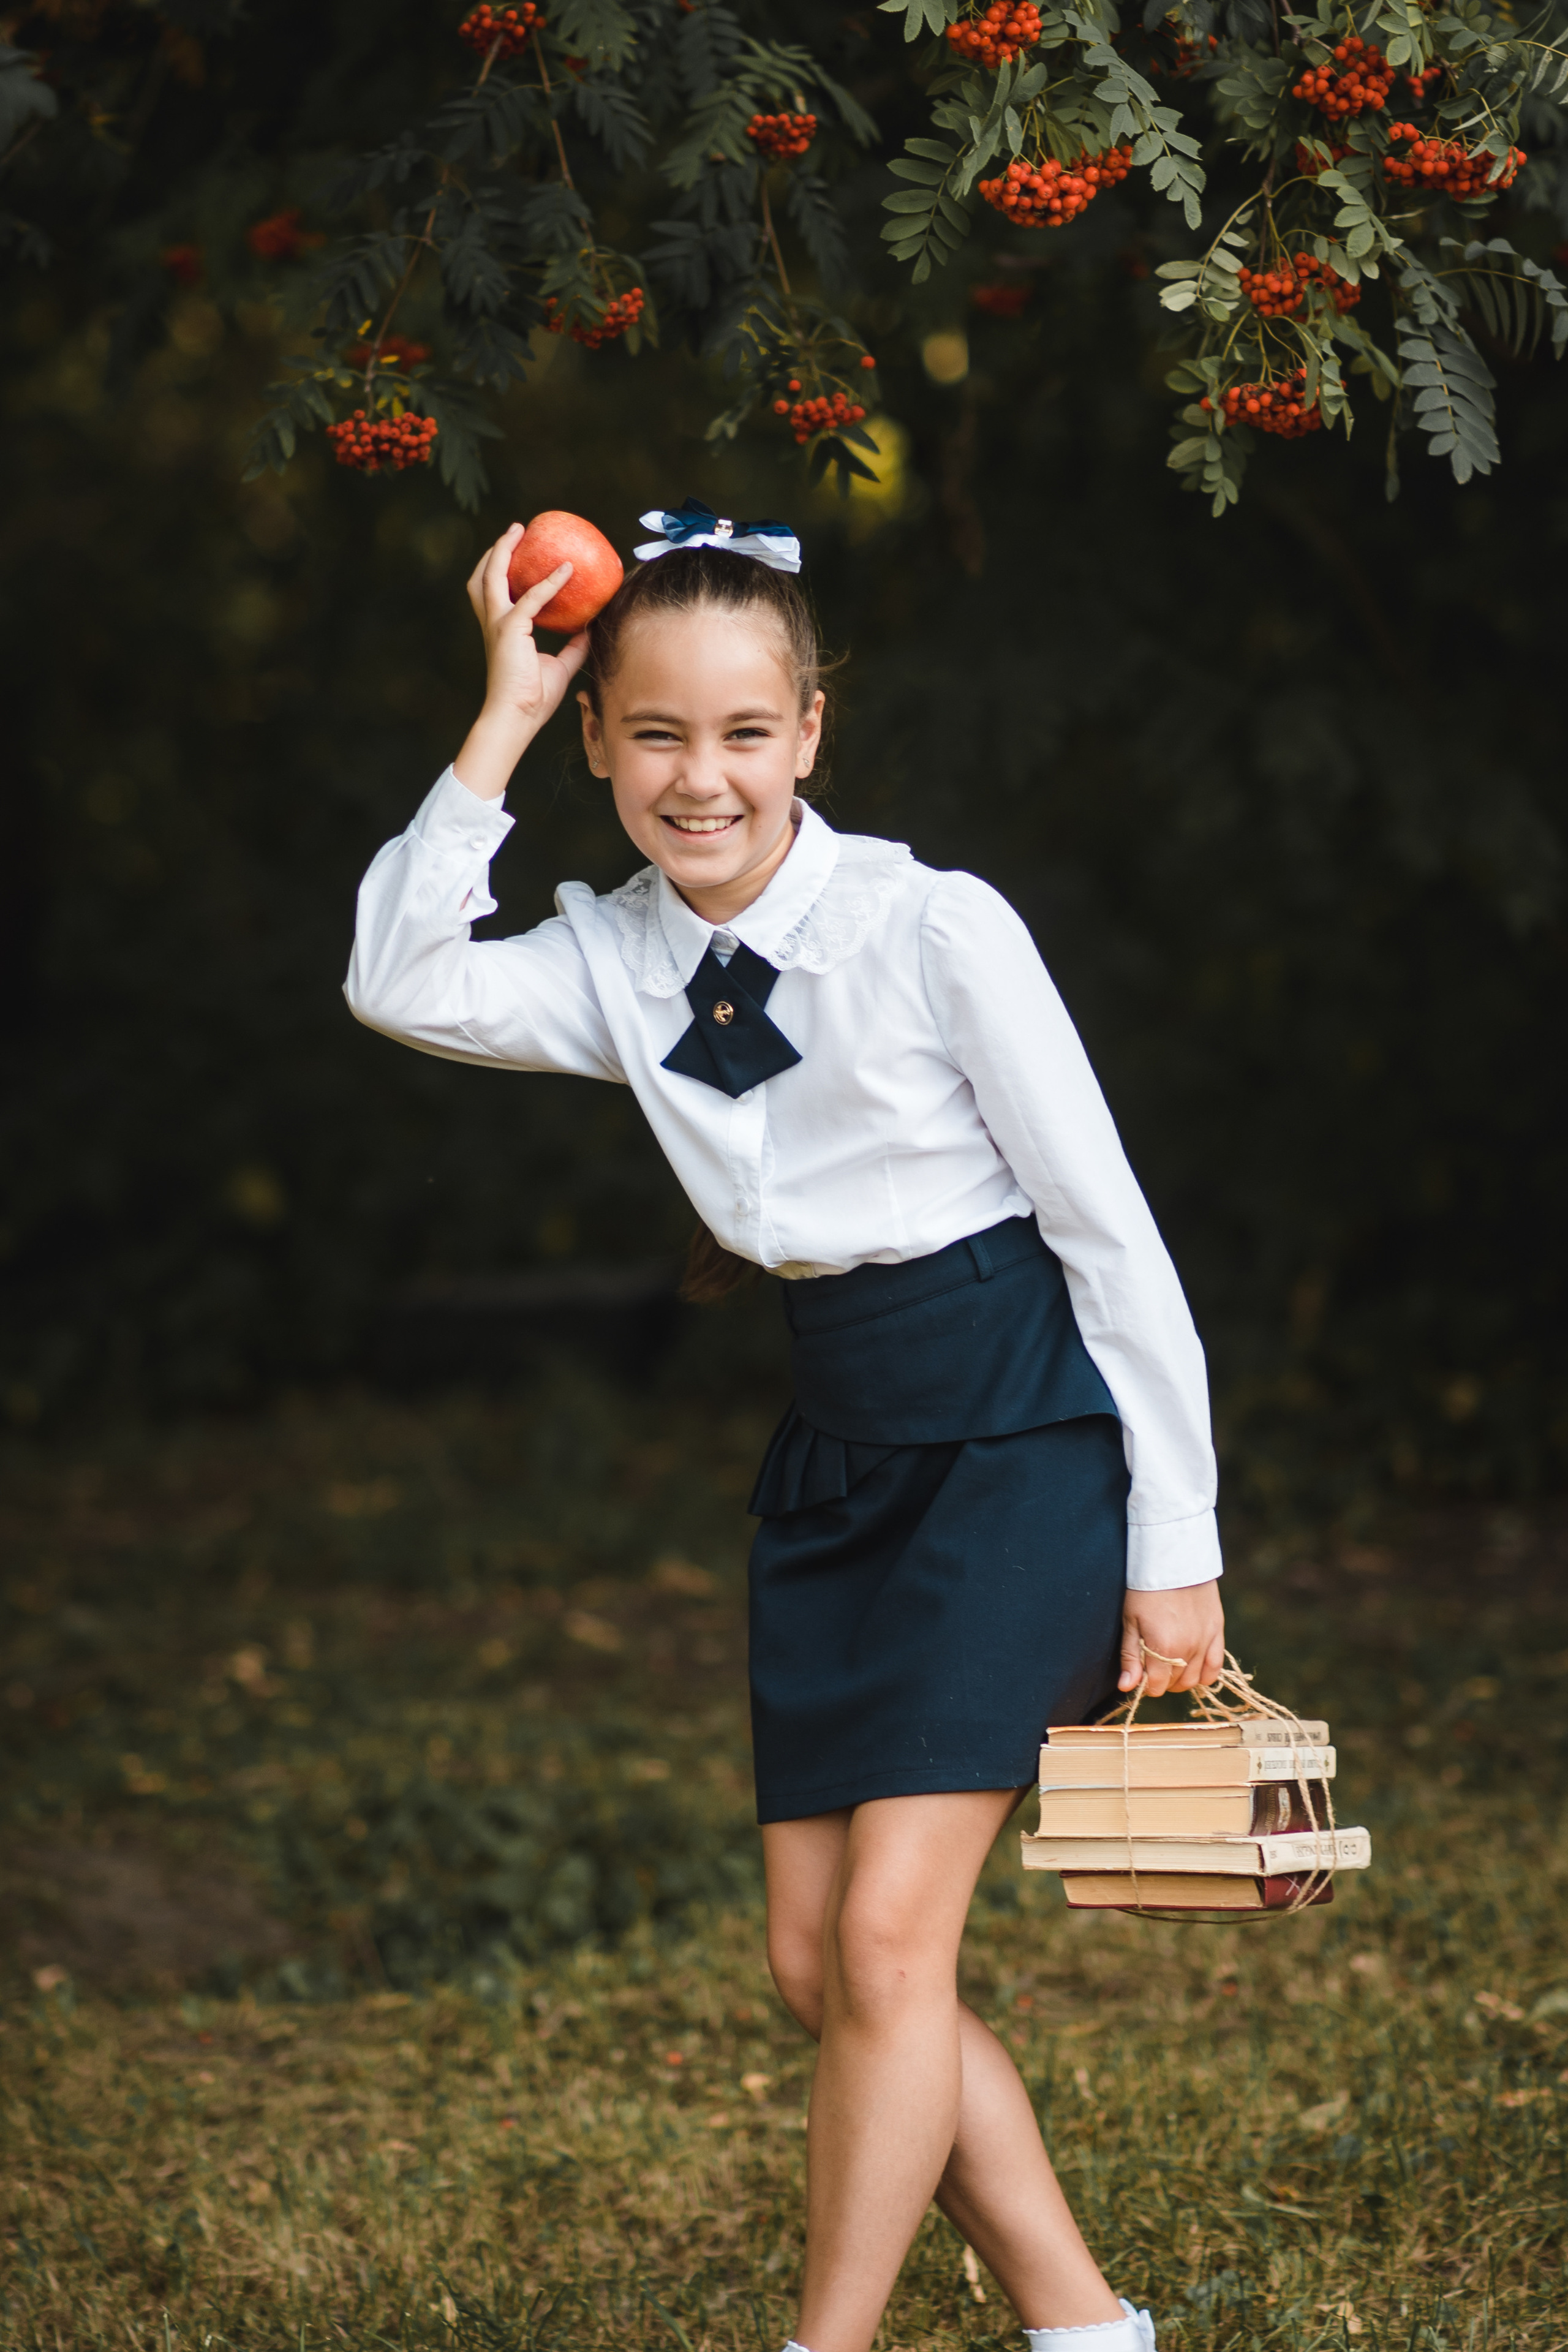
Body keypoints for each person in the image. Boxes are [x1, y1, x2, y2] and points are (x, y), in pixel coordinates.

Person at [345, 502, 1227, 2352]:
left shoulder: (934, 928)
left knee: (897, 1948)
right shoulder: (607, 960)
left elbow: (1109, 1239)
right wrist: (500, 714)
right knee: (817, 1965)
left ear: (812, 732)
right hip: (835, 1453)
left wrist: (1178, 1557)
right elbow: (399, 979)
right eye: (654, 733)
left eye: (747, 734)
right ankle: (1085, 2325)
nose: (702, 778)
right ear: (603, 740)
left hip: (1015, 1438)